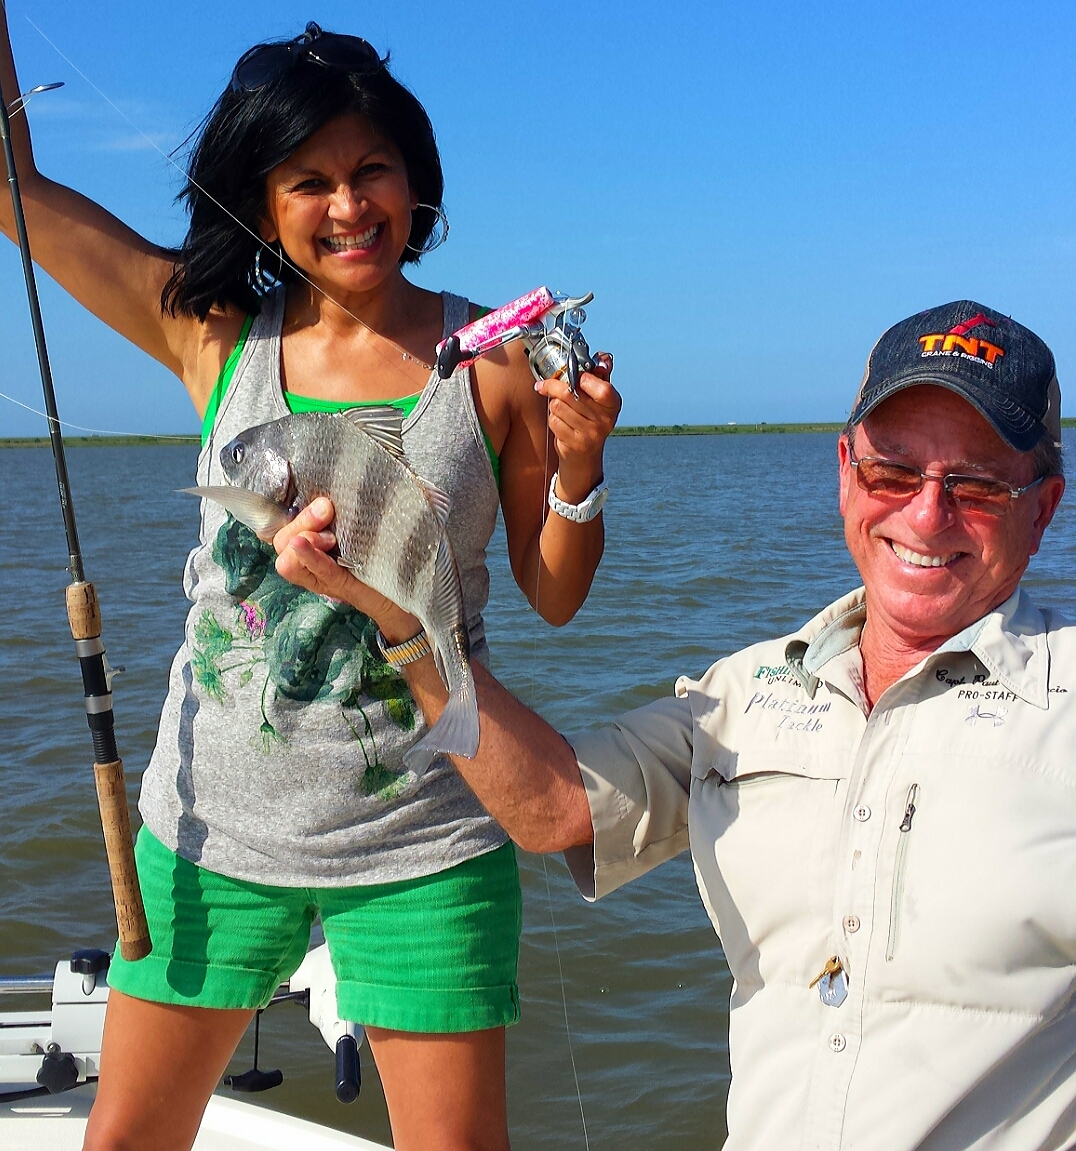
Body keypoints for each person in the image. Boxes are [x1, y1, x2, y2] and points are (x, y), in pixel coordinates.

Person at [0, 15, 621, 1151]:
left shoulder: (491, 363)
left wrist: (579, 469)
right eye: (308, 181)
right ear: (262, 199)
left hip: (425, 833)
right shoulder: (213, 338)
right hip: (209, 829)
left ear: (416, 181)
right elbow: (16, 189)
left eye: (372, 168)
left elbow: (553, 591)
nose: (348, 205)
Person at [279, 301, 1074, 1150]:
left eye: (977, 485)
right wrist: (400, 618)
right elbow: (555, 807)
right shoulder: (744, 693)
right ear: (846, 473)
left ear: (1043, 508)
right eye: (893, 473)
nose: (926, 514)